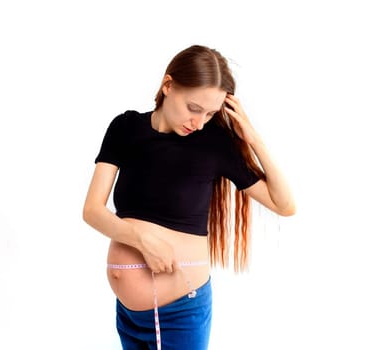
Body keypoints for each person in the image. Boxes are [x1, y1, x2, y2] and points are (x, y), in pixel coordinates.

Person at [82, 44, 296, 350]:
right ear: (168, 85)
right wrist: (143, 241)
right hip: (128, 315)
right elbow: (92, 210)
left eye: (210, 114)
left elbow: (284, 205)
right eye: (194, 108)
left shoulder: (215, 144)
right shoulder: (125, 128)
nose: (199, 123)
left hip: (181, 312)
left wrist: (253, 138)